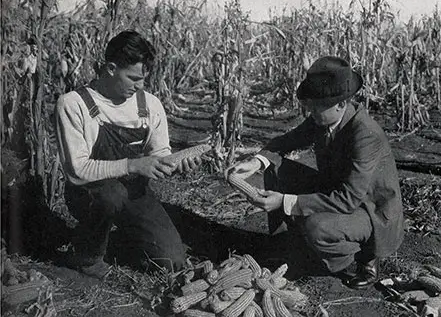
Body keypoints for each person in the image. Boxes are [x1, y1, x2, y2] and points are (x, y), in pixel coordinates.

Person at [227, 56, 404, 289]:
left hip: (369, 210)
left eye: (316, 106)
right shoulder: (324, 119)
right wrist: (256, 162)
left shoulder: (365, 134)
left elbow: (348, 199)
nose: (310, 110)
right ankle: (291, 245)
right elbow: (287, 141)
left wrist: (284, 202)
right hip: (335, 190)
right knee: (275, 168)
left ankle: (361, 257)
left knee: (317, 227)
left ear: (341, 104)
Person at [56, 30, 201, 278]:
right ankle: (87, 256)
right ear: (111, 68)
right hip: (90, 192)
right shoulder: (73, 104)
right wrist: (133, 165)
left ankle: (112, 239)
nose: (140, 86)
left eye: (143, 79)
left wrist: (175, 164)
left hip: (134, 191)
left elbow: (160, 153)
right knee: (111, 194)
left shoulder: (150, 105)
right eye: (133, 78)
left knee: (172, 261)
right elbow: (77, 170)